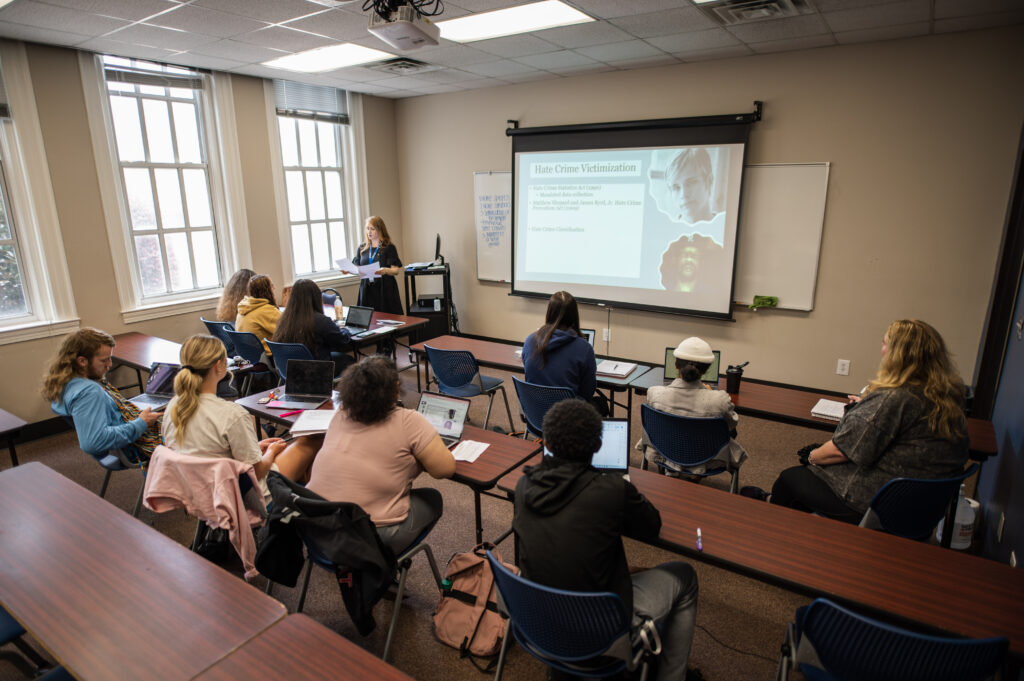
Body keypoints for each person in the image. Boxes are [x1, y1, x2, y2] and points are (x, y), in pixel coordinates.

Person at [513, 399, 699, 681]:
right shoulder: (612, 490)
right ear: (598, 446)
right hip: (600, 628)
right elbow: (652, 527)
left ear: (547, 441)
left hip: (542, 622)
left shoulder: (523, 485)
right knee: (685, 575)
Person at [743, 320, 970, 523]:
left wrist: (811, 457)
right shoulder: (948, 396)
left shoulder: (894, 398)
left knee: (790, 479)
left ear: (897, 355)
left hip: (880, 503)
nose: (882, 350)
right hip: (926, 506)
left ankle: (774, 527)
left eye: (885, 344)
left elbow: (842, 451)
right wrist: (866, 407)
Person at [306, 356, 455, 554]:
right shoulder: (408, 420)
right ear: (395, 388)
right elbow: (444, 469)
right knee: (433, 498)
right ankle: (382, 563)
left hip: (318, 526)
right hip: (369, 537)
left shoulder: (341, 413)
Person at [161, 334, 321, 500]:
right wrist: (271, 453)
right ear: (219, 366)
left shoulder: (173, 406)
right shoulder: (232, 414)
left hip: (200, 489)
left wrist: (256, 446)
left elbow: (206, 449)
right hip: (247, 493)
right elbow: (257, 471)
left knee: (287, 453)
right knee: (310, 440)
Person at [43, 328, 162, 463]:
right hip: (134, 447)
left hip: (125, 439)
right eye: (104, 360)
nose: (110, 365)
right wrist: (142, 423)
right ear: (82, 361)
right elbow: (93, 442)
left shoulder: (66, 382)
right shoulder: (89, 392)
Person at [638, 337, 747, 476]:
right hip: (708, 459)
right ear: (706, 369)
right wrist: (709, 394)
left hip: (664, 453)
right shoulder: (720, 400)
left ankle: (673, 471)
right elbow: (731, 425)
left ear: (676, 364)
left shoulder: (654, 393)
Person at [522, 290, 605, 414]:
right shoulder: (584, 348)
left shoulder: (530, 340)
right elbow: (587, 392)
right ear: (574, 315)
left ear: (549, 313)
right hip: (568, 421)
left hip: (536, 415)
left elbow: (529, 374)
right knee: (602, 404)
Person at [272, 278, 354, 376]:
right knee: (349, 360)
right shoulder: (321, 320)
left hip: (291, 370)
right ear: (316, 297)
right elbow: (341, 340)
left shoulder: (284, 319)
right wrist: (345, 330)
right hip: (317, 371)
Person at [665, 147, 725, 245]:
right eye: (676, 187)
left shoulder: (725, 228)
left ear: (709, 181)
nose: (683, 194)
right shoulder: (664, 233)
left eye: (691, 183)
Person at [351, 216, 403, 314]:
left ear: (380, 230)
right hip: (367, 289)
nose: (369, 232)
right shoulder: (362, 248)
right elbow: (357, 268)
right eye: (367, 229)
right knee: (368, 320)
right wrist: (349, 270)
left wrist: (385, 270)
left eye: (372, 229)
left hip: (384, 289)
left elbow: (396, 270)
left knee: (387, 319)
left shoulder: (388, 247)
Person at [660, 233, 725, 295]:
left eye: (694, 256)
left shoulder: (710, 294)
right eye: (684, 255)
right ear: (675, 260)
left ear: (701, 262)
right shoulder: (663, 288)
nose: (689, 260)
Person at [235, 274, 280, 357]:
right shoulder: (267, 310)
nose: (274, 289)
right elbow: (287, 332)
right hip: (269, 358)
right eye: (272, 286)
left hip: (250, 357)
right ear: (268, 290)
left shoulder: (243, 307)